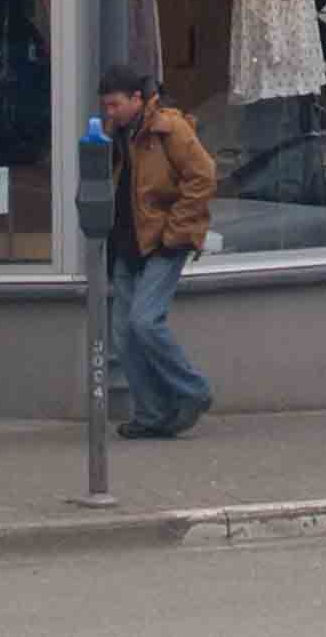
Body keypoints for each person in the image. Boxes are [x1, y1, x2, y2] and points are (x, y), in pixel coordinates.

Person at [99, 60, 217, 439]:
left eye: (115, 104)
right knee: (124, 335)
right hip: (127, 245)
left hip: (163, 243)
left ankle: (193, 391)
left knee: (144, 322)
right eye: (106, 105)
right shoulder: (113, 132)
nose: (109, 112)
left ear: (137, 98)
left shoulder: (169, 126)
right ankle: (151, 414)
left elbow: (203, 176)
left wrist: (175, 233)